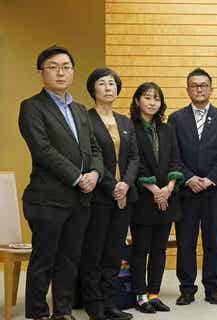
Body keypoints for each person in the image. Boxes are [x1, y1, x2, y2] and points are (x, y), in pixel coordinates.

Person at [18, 45, 103, 320]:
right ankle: (38, 312)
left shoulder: (80, 110)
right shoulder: (31, 107)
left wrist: (95, 174)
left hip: (80, 200)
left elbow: (94, 149)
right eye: (53, 67)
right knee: (45, 259)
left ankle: (63, 311)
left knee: (69, 258)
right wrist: (78, 177)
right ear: (41, 72)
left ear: (73, 72)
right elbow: (43, 151)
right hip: (47, 198)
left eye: (66, 67)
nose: (60, 72)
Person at [169, 68, 217, 306]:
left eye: (203, 85)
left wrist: (210, 178)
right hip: (186, 192)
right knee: (186, 241)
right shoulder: (176, 119)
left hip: (213, 192)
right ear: (187, 90)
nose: (199, 89)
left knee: (212, 242)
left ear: (211, 89)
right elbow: (172, 153)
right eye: (194, 85)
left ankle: (212, 288)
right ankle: (187, 288)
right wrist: (189, 178)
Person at [80, 68, 139, 320]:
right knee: (94, 252)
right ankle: (94, 306)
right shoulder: (85, 119)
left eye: (112, 84)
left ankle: (110, 303)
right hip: (99, 196)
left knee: (114, 253)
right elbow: (87, 156)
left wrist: (125, 183)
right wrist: (112, 184)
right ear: (93, 89)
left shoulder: (125, 121)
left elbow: (135, 157)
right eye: (102, 84)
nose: (108, 88)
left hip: (123, 196)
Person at [129, 82, 183, 314]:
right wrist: (154, 190)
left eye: (156, 98)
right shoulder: (130, 127)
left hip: (167, 197)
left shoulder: (167, 129)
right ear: (138, 100)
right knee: (141, 249)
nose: (152, 102)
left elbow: (175, 159)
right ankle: (140, 296)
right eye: (147, 97)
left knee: (160, 250)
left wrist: (169, 188)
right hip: (143, 198)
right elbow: (134, 162)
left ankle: (153, 294)